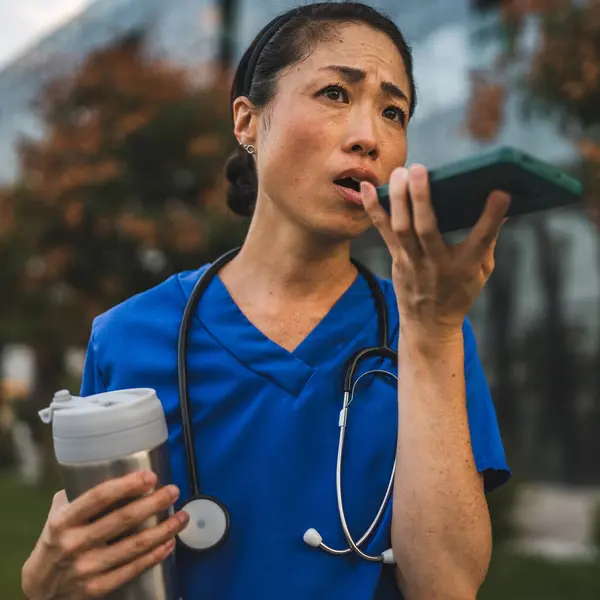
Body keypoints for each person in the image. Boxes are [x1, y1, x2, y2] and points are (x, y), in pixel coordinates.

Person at [21, 2, 512, 599]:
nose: (370, 137)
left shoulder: (432, 329)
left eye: (393, 111)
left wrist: (431, 335)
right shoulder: (128, 338)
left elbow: (447, 587)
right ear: (248, 122)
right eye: (336, 93)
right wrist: (46, 584)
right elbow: (102, 564)